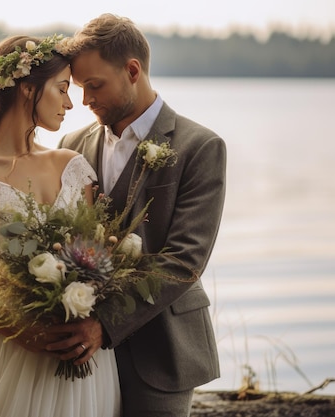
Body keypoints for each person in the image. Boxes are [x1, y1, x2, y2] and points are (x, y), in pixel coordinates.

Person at [47, 13, 227, 416]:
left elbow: (184, 260)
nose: (86, 100)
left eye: (95, 85)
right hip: (79, 354)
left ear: (132, 70)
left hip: (163, 349)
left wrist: (104, 324)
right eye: (79, 87)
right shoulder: (70, 145)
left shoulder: (200, 146)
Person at [0, 34, 121, 417]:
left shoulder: (72, 165)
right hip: (9, 350)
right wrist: (26, 332)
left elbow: (93, 257)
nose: (71, 103)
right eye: (63, 89)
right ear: (27, 88)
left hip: (82, 352)